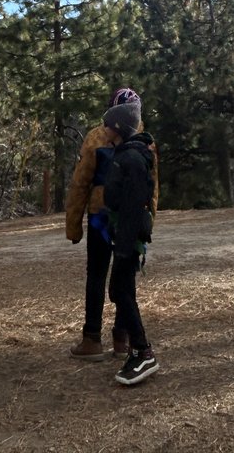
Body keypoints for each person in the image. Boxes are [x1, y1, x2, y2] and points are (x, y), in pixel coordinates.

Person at [65, 87, 157, 360]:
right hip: (126, 218)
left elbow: (80, 183)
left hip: (100, 217)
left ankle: (93, 338)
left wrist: (73, 225)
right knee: (124, 276)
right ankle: (121, 337)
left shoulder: (96, 137)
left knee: (98, 274)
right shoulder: (146, 141)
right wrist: (148, 220)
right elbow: (153, 187)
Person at [103, 106, 159, 386]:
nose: (104, 129)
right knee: (121, 291)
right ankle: (138, 349)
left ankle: (143, 352)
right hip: (122, 235)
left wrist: (125, 243)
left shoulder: (133, 159)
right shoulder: (125, 154)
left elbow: (135, 204)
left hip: (128, 237)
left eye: (107, 124)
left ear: (118, 127)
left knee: (120, 290)